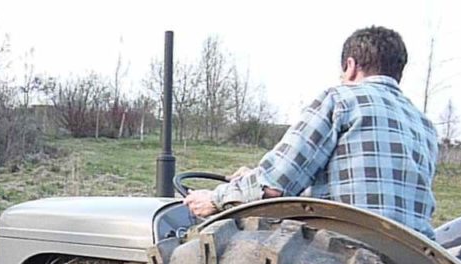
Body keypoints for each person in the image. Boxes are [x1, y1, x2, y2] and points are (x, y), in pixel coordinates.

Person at [183, 26, 439, 238]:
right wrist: (250, 179)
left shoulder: (341, 99)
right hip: (412, 254)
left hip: (350, 246)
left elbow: (275, 186)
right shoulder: (425, 125)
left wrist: (216, 199)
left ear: (350, 66)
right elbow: (359, 188)